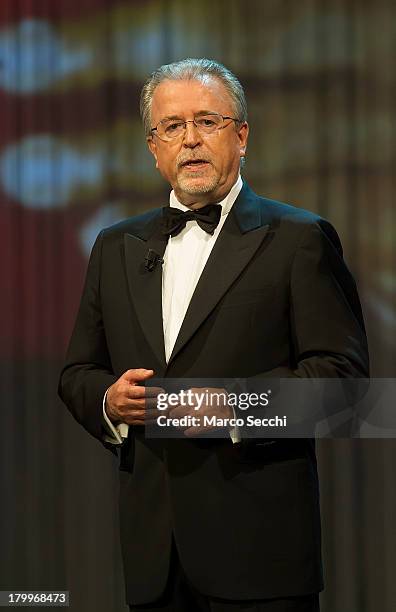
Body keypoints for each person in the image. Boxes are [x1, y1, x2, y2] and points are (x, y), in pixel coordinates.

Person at [58, 58, 369, 612]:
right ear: (153, 147)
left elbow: (346, 388)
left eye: (208, 122)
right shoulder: (115, 245)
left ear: (242, 135)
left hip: (261, 555)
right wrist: (109, 401)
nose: (191, 140)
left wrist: (234, 407)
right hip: (154, 555)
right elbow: (78, 373)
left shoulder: (298, 238)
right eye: (172, 127)